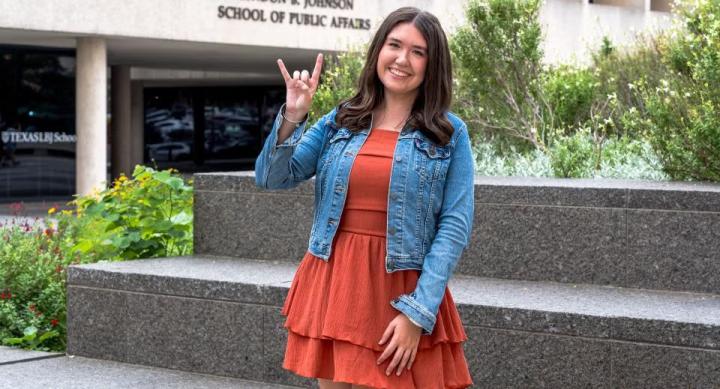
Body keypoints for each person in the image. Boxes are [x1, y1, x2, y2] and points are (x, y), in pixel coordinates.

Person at [255, 7, 474, 389]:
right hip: (334, 280)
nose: (402, 59)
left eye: (418, 52)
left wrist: (418, 312)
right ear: (379, 51)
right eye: (394, 45)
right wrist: (293, 115)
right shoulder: (342, 120)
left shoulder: (449, 133)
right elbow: (273, 178)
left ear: (431, 64)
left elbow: (454, 226)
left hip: (401, 288)